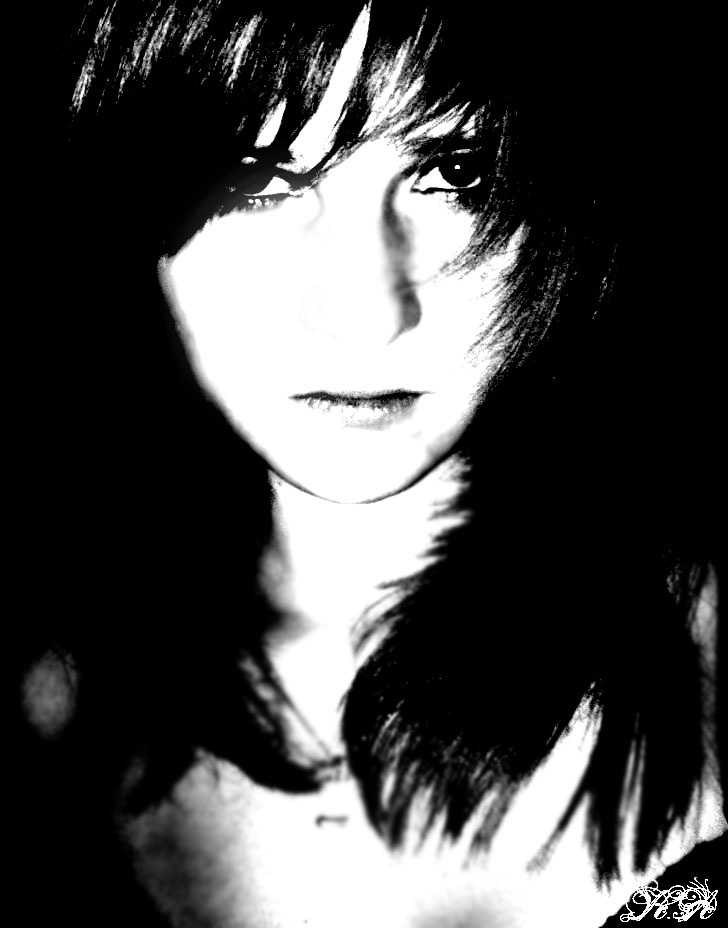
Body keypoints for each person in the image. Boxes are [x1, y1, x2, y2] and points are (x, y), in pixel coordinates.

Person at [10, 2, 724, 926]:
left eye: (455, 172)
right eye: (257, 179)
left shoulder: (704, 653)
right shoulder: (51, 707)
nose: (363, 314)